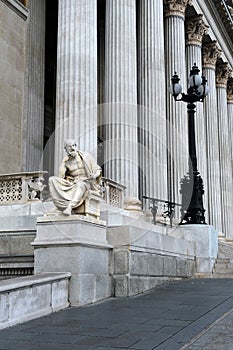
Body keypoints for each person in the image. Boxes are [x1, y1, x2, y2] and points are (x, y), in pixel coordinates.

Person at [49, 139, 102, 215]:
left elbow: (97, 169)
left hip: (87, 182)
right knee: (52, 179)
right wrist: (63, 162)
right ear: (66, 149)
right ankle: (59, 205)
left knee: (80, 184)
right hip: (72, 182)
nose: (72, 148)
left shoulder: (85, 156)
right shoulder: (67, 161)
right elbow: (60, 177)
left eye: (73, 145)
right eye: (69, 147)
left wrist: (95, 175)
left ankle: (70, 206)